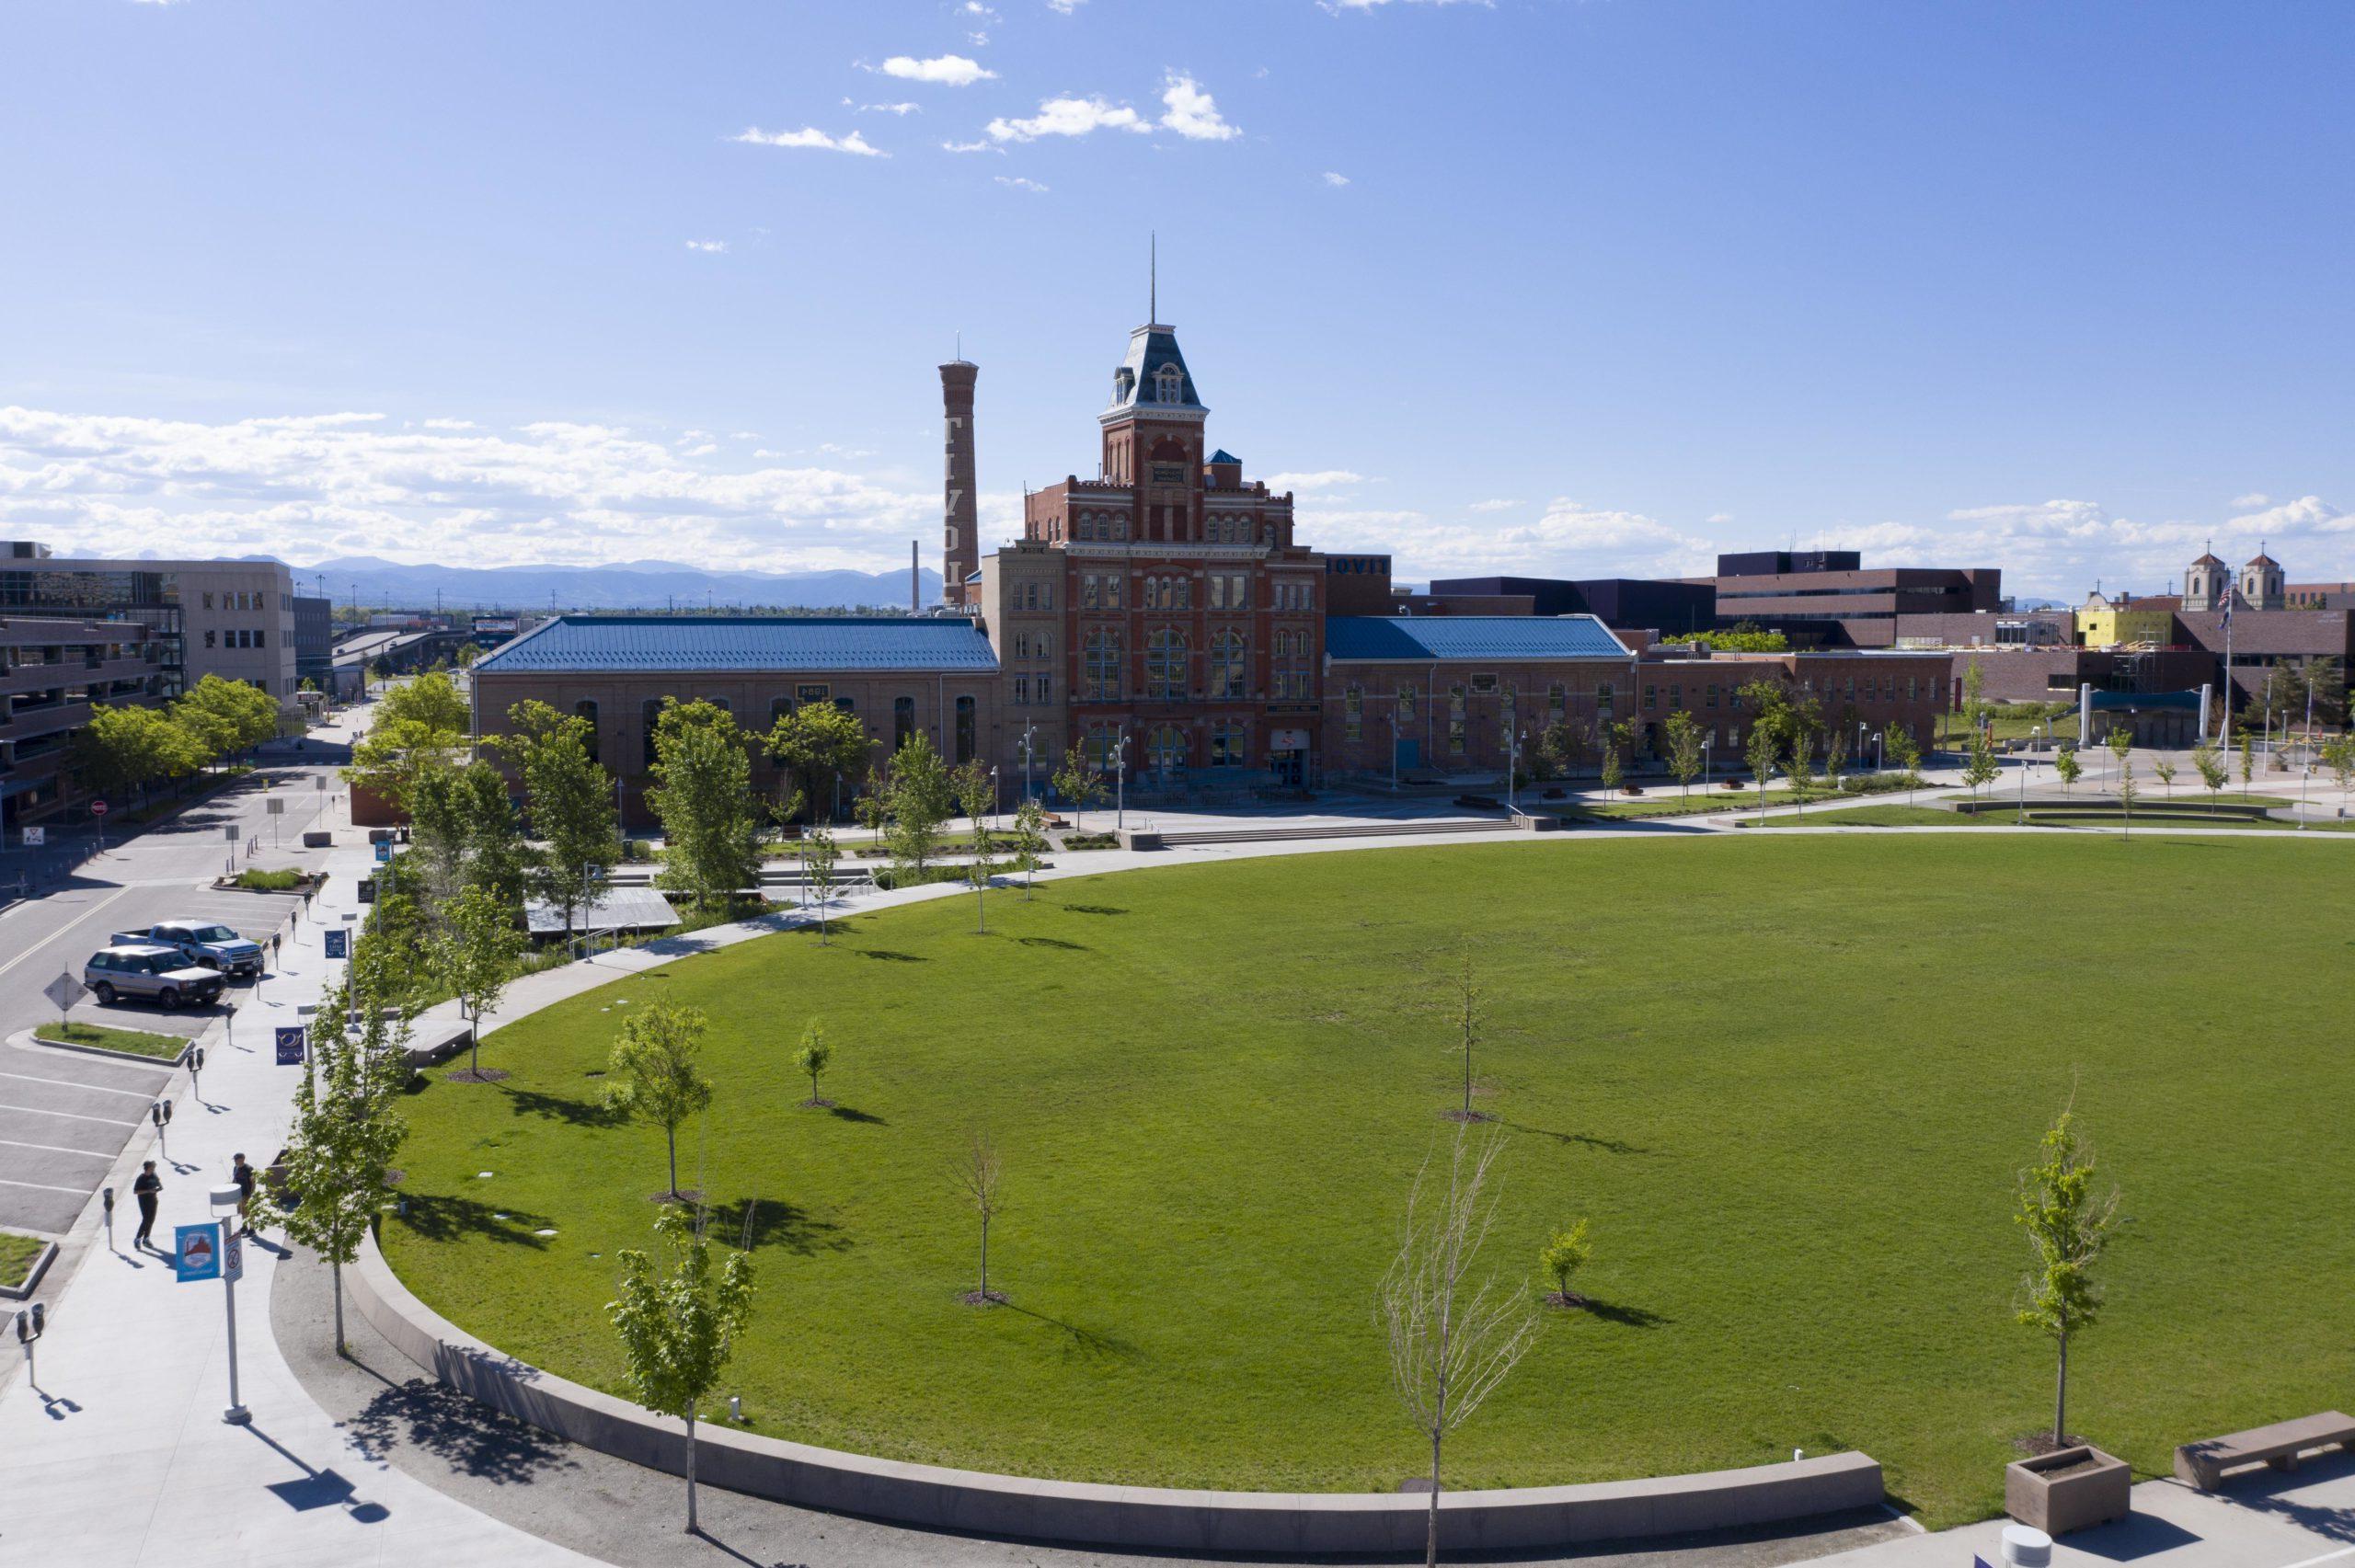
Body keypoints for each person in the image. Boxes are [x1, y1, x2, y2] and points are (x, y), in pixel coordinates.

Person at [132, 1161, 162, 1250]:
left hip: (153, 1200)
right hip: (144, 1202)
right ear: (148, 1168)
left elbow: (159, 1185)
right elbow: (135, 1191)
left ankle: (146, 1238)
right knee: (146, 1220)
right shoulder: (141, 1178)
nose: (154, 1169)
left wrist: (158, 1188)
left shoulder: (154, 1175)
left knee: (151, 1219)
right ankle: (138, 1238)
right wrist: (148, 1191)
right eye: (152, 1167)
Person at [231, 1152, 257, 1237]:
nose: (234, 1161)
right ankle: (244, 1226)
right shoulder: (236, 1168)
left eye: (236, 1159)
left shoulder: (249, 1169)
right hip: (239, 1194)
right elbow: (234, 1180)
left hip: (247, 1194)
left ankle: (252, 1228)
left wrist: (251, 1193)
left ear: (242, 1159)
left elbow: (253, 1182)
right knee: (242, 1211)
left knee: (250, 1212)